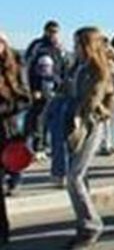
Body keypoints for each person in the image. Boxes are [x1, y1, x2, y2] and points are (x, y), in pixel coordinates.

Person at [65, 27, 114, 249]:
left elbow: (93, 101)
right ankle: (83, 225)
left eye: (77, 44)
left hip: (89, 126)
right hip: (76, 124)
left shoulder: (99, 70)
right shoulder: (81, 67)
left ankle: (91, 225)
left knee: (74, 177)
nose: (74, 48)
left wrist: (81, 112)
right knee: (80, 177)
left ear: (87, 45)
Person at [0, 32, 31, 245]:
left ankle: (2, 231)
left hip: (5, 131)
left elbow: (25, 99)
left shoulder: (15, 67)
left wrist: (5, 106)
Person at [24, 20, 65, 159]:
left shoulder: (59, 47)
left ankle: (46, 145)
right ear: (45, 30)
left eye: (56, 31)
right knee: (37, 117)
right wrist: (33, 88)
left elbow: (63, 65)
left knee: (51, 118)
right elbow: (29, 67)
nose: (54, 34)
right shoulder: (37, 46)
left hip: (55, 87)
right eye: (51, 31)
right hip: (40, 87)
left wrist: (63, 84)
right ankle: (35, 147)